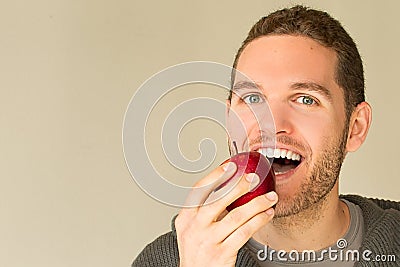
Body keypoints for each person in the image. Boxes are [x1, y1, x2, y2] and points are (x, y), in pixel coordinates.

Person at [132, 5, 399, 266]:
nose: (271, 125)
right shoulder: (164, 261)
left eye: (305, 99)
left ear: (356, 128)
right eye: (252, 98)